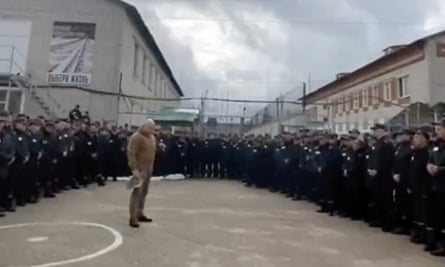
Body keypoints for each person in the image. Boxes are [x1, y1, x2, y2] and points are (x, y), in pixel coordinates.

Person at [127, 118, 157, 228]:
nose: (152, 130)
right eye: (150, 128)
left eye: (153, 128)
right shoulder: (137, 137)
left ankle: (140, 213)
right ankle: (133, 218)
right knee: (136, 193)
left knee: (144, 192)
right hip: (139, 170)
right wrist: (134, 169)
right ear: (144, 126)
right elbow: (131, 153)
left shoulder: (152, 137)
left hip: (148, 169)